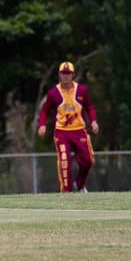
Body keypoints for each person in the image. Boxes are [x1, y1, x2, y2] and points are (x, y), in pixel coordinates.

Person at [38, 61, 98, 193]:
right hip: (62, 132)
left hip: (79, 130)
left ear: (73, 75)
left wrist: (93, 121)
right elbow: (44, 110)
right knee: (64, 161)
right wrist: (42, 125)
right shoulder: (53, 93)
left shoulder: (82, 90)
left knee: (88, 161)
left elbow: (89, 107)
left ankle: (80, 184)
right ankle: (67, 192)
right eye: (63, 73)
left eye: (68, 73)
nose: (66, 76)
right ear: (59, 75)